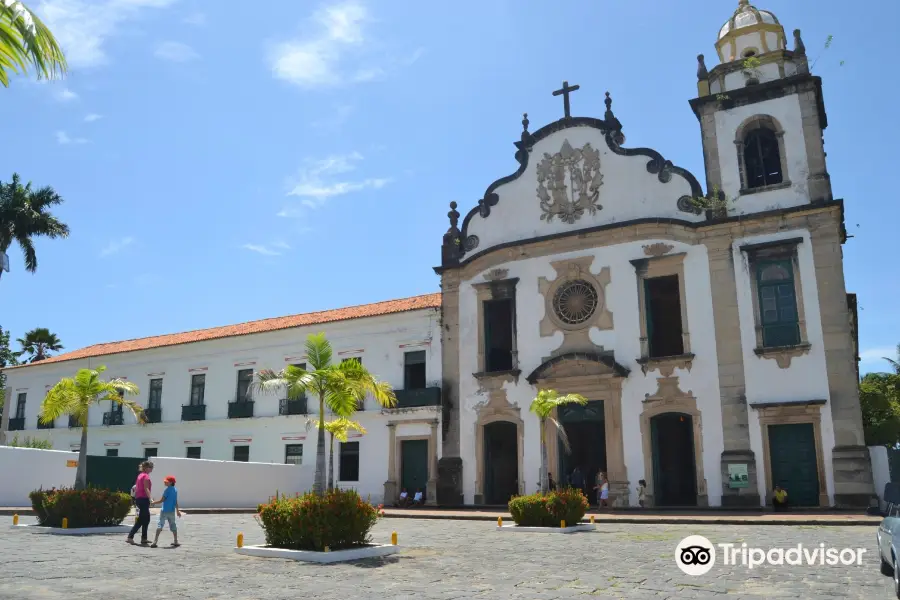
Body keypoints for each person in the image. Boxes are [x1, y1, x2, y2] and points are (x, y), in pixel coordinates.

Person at [127, 461, 154, 545]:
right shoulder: (145, 476)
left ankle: (144, 538)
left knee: (145, 519)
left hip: (139, 499)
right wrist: (151, 498)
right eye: (151, 467)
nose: (152, 469)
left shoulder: (140, 475)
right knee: (142, 519)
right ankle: (130, 537)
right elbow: (146, 488)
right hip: (143, 499)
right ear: (146, 468)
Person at [150, 475, 181, 548]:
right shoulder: (175, 490)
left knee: (160, 525)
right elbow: (175, 501)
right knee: (173, 525)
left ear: (171, 482)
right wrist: (177, 510)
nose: (165, 482)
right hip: (172, 511)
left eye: (166, 482)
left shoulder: (167, 490)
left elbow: (162, 500)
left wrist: (153, 502)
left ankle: (155, 541)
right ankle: (176, 541)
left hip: (164, 511)